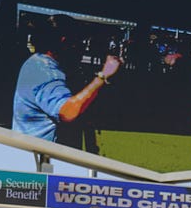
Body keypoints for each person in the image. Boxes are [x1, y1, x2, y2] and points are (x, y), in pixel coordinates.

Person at [11, 14, 121, 143]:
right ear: (65, 41)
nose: (82, 49)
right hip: (40, 155)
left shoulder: (36, 62)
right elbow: (67, 112)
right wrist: (103, 76)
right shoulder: (45, 72)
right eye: (79, 42)